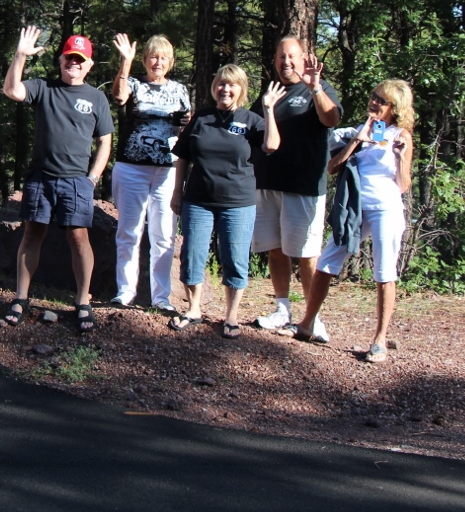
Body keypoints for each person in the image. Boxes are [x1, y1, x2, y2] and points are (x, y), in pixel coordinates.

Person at [293, 80, 415, 362]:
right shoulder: (359, 131)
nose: (374, 103)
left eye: (381, 101)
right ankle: (307, 323)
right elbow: (332, 168)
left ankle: (380, 340)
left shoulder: (401, 135)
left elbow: (403, 185)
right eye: (374, 97)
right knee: (326, 262)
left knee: (384, 271)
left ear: (394, 109)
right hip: (355, 208)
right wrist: (357, 140)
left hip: (385, 208)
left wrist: (399, 156)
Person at [1, 27, 113, 333]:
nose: (73, 63)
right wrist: (20, 55)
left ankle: (83, 302)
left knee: (79, 238)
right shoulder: (43, 87)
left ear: (89, 65)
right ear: (60, 60)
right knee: (31, 235)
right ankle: (21, 299)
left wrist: (92, 178)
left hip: (77, 181)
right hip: (41, 178)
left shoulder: (97, 98)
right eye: (69, 57)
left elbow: (105, 141)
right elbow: (11, 91)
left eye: (79, 59)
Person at [168, 66, 285, 337]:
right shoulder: (201, 118)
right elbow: (183, 156)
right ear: (215, 87)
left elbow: (271, 145)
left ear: (241, 89)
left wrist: (269, 109)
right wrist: (177, 192)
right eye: (221, 84)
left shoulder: (251, 120)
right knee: (192, 255)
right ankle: (193, 309)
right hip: (198, 200)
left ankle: (231, 316)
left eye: (232, 85)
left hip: (238, 202)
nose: (225, 89)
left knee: (235, 257)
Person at [250, 36, 343, 335]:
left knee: (306, 253)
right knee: (276, 249)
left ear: (304, 58)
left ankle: (312, 318)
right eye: (280, 56)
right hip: (268, 183)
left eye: (291, 56)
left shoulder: (318, 87)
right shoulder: (270, 91)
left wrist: (315, 87)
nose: (285, 62)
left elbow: (331, 119)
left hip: (304, 186)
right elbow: (253, 128)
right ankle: (282, 309)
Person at [109, 33, 190, 312]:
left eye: (164, 58)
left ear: (171, 62)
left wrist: (188, 124)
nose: (158, 62)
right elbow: (119, 96)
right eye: (153, 57)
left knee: (164, 235)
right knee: (129, 231)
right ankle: (125, 292)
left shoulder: (180, 90)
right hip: (132, 168)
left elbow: (186, 127)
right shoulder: (133, 83)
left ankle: (161, 297)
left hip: (167, 171)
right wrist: (125, 61)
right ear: (144, 59)